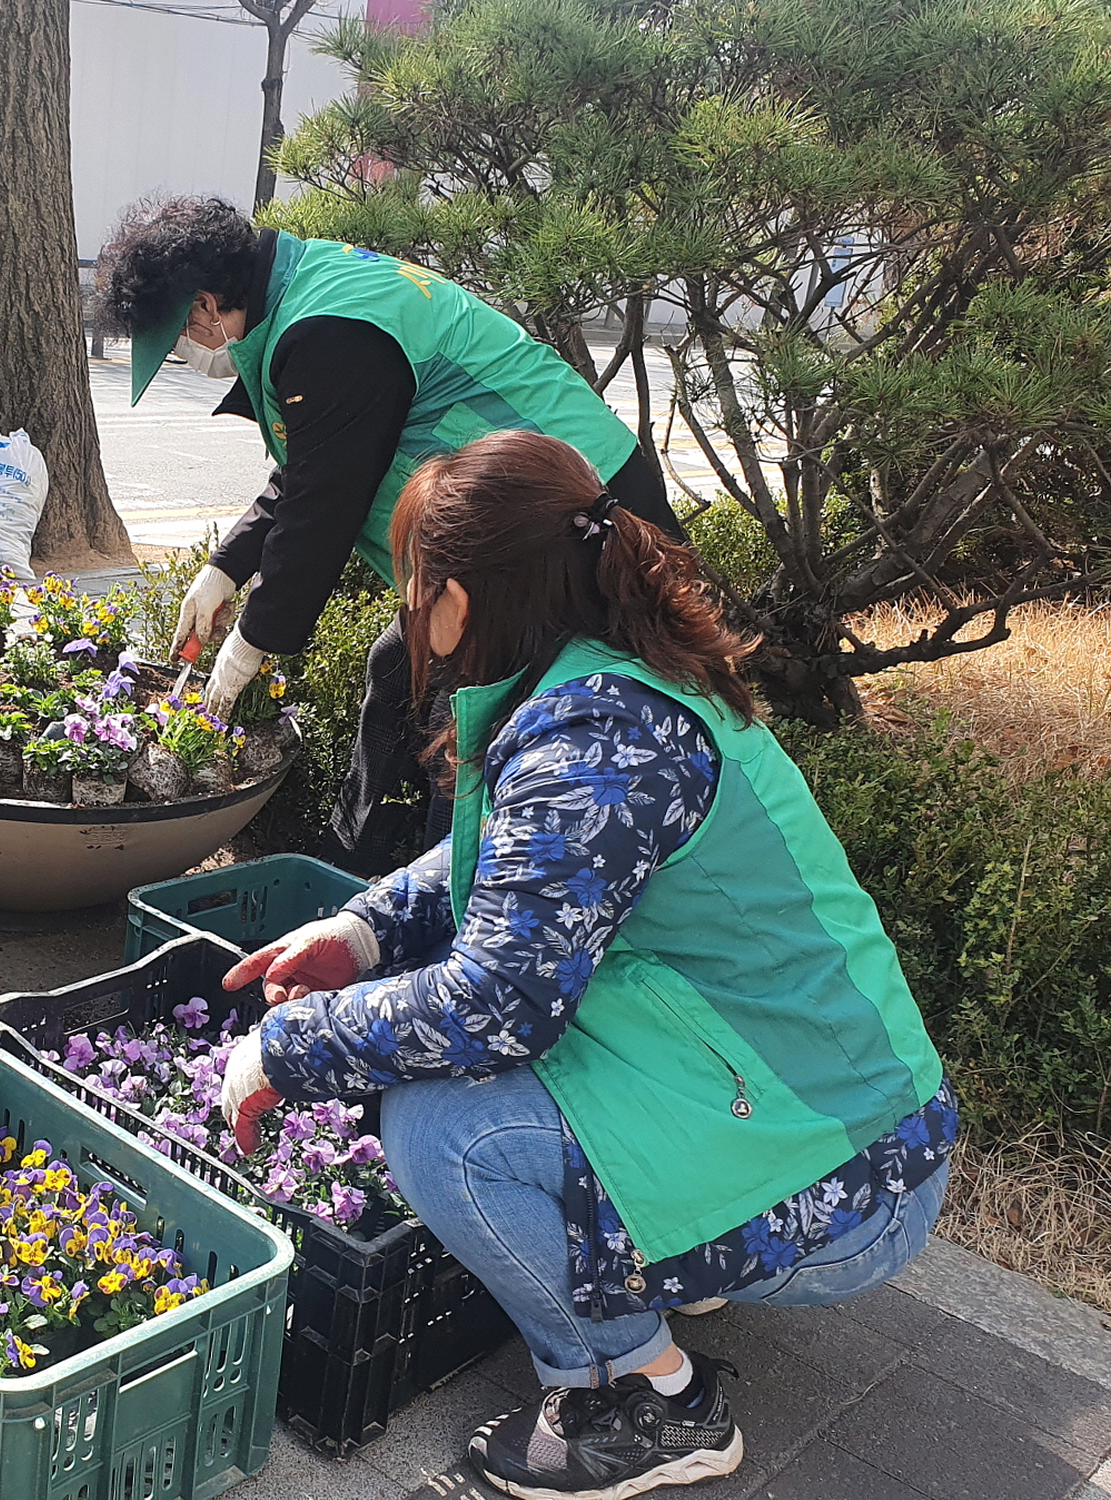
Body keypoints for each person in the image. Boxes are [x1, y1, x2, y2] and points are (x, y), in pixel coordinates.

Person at [216, 430, 954, 1500]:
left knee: (441, 1130)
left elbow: (497, 1006)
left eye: (410, 575)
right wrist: (365, 931)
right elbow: (518, 855)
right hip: (822, 1101)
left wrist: (283, 1049)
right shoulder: (602, 668)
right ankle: (667, 1259)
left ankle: (644, 1401)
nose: (401, 604)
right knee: (465, 1083)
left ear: (464, 595)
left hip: (848, 1181)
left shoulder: (594, 736)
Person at [95, 196, 686, 874]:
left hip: (565, 526)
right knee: (399, 668)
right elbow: (319, 458)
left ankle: (448, 903)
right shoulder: (306, 294)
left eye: (175, 340)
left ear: (204, 304)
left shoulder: (328, 329)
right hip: (510, 529)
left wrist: (253, 641)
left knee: (464, 717)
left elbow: (326, 502)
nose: (184, 355)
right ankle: (356, 870)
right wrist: (227, 566)